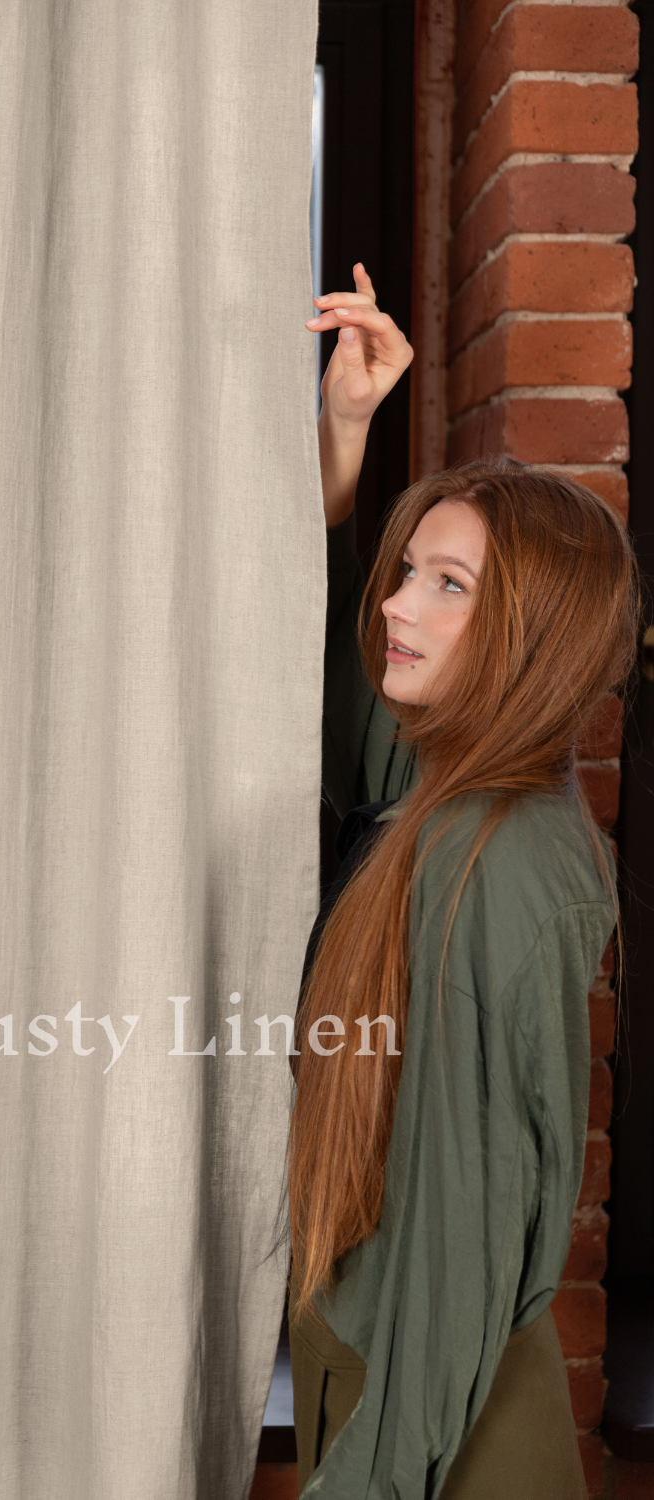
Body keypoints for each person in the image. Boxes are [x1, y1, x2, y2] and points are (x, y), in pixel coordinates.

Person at [286, 264, 640, 1499]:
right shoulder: (441, 789)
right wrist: (344, 432)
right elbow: (329, 709)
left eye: (448, 586)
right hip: (381, 1379)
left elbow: (461, 1241)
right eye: (406, 571)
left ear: (531, 632)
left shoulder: (488, 862)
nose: (396, 607)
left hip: (433, 1429)